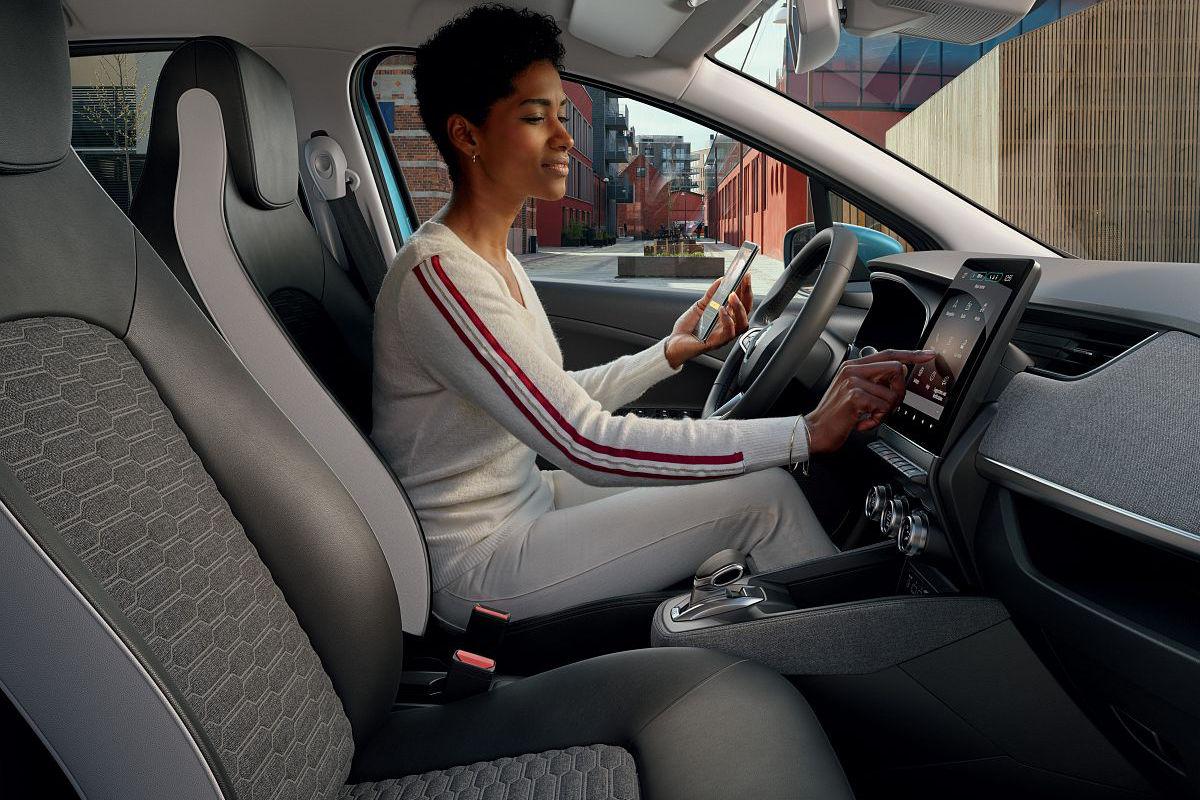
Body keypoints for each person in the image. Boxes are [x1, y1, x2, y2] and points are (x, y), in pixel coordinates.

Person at [372, 4, 934, 628]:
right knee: (766, 500)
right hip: (477, 560)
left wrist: (669, 353)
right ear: (467, 135)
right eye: (535, 117)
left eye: (560, 114)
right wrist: (804, 433)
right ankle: (872, 652)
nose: (563, 137)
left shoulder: (490, 258)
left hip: (532, 499)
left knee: (722, 493)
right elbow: (584, 442)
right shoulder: (440, 276)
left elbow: (555, 399)